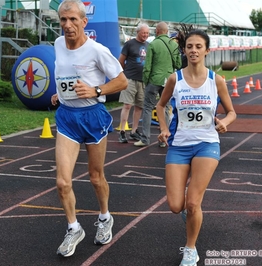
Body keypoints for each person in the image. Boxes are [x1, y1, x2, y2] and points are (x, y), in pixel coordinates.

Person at [50, 0, 127, 257]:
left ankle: (105, 217)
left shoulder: (97, 50)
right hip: (67, 118)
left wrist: (96, 90)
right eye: (63, 20)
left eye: (73, 20)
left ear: (84, 22)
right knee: (62, 182)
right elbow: (64, 77)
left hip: (93, 116)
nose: (68, 25)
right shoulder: (58, 44)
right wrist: (59, 94)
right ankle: (73, 228)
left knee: (95, 177)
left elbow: (122, 81)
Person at [156, 27, 236, 266]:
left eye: (198, 46)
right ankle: (190, 215)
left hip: (207, 144)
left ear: (207, 51)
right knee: (175, 205)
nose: (193, 50)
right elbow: (161, 106)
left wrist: (224, 122)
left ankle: (190, 249)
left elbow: (232, 112)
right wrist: (163, 128)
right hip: (179, 145)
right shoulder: (175, 79)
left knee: (192, 203)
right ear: (184, 50)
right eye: (189, 46)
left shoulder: (217, 80)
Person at [134, 22, 181, 148]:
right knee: (164, 107)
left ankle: (145, 138)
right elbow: (178, 64)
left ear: (158, 31)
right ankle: (163, 139)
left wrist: (145, 80)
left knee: (148, 108)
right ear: (166, 31)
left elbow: (147, 66)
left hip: (154, 80)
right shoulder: (173, 44)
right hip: (169, 80)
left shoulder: (153, 44)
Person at [117, 23, 149, 143]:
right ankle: (122, 131)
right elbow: (121, 61)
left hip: (143, 80)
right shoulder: (129, 44)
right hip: (130, 79)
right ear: (138, 32)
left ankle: (134, 131)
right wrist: (125, 74)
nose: (145, 35)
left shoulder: (148, 46)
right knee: (127, 105)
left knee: (139, 106)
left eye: (147, 33)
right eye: (143, 33)